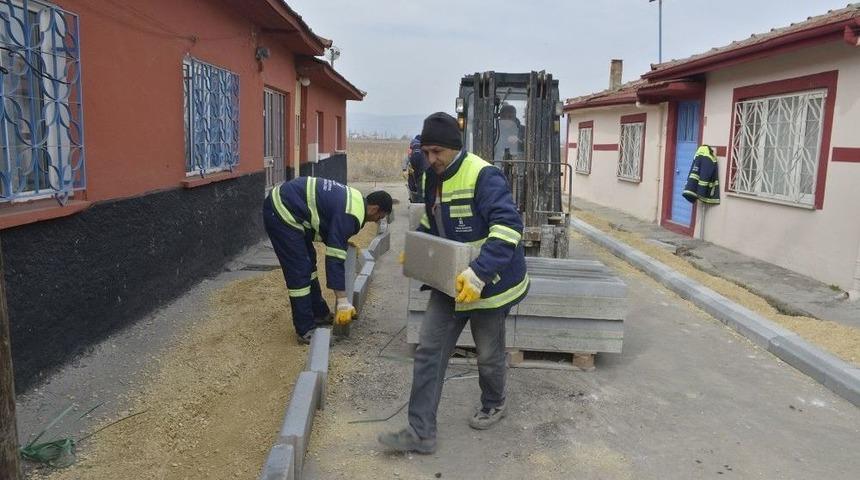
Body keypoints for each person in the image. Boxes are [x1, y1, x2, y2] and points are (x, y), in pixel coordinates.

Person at [379, 112, 529, 454]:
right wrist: (420, 248)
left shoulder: (484, 176)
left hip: (490, 282)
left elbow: (508, 229)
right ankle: (421, 433)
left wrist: (478, 274)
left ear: (453, 148)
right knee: (430, 348)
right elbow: (435, 221)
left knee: (488, 354)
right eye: (426, 152)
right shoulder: (434, 177)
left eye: (436, 152)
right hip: (451, 281)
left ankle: (494, 401)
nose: (430, 160)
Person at [263, 177, 392, 344]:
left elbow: (329, 224)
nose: (378, 221)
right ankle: (305, 329)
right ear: (375, 209)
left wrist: (341, 243)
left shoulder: (355, 200)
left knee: (309, 264)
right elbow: (334, 258)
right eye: (380, 216)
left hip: (292, 206)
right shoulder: (351, 215)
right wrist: (343, 301)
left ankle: (319, 314)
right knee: (299, 271)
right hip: (282, 211)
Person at [402, 134, 429, 203]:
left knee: (414, 186)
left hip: (415, 172)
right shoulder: (418, 149)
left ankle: (415, 198)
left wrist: (404, 169)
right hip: (418, 172)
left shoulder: (413, 148)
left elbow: (406, 159)